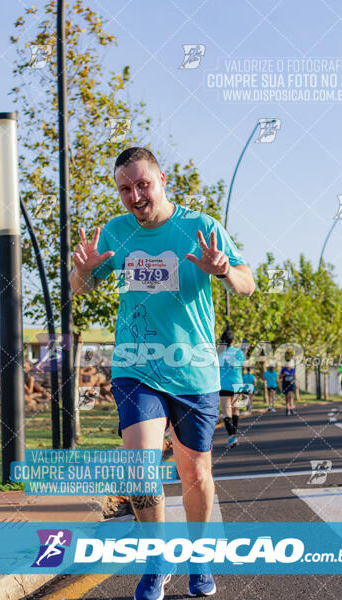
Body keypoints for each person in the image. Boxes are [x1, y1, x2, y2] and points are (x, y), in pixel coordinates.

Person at [70, 147, 255, 600]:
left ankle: (199, 557)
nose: (134, 195)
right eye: (125, 188)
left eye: (142, 184)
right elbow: (80, 289)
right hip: (136, 366)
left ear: (162, 179)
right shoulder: (114, 232)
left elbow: (249, 283)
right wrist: (83, 273)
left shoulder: (200, 227)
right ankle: (156, 559)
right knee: (139, 467)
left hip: (193, 371)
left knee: (194, 474)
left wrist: (225, 269)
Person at [218, 328, 246, 448]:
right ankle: (233, 435)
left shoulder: (218, 352)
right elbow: (243, 365)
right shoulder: (238, 352)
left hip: (223, 384)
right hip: (237, 384)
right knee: (236, 410)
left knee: (226, 412)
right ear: (233, 341)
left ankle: (231, 437)